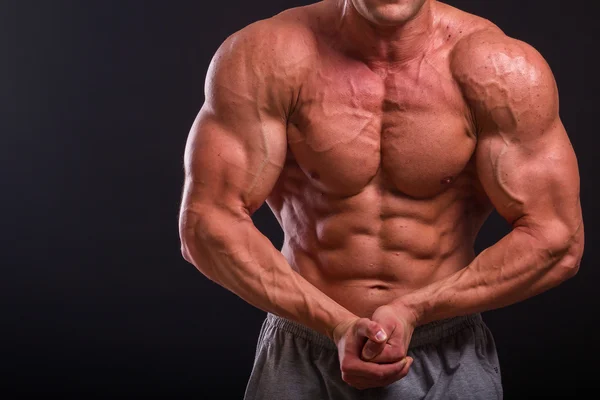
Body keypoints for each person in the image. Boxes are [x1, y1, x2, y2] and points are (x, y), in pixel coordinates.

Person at [178, 0, 584, 398]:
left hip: (446, 349)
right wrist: (333, 323)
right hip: (304, 345)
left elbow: (556, 239)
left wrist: (417, 310)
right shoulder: (267, 58)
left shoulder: (500, 70)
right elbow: (207, 224)